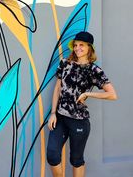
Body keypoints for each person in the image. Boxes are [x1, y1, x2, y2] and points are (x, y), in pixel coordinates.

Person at [46, 31, 117, 177]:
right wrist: (53, 112)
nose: (77, 48)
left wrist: (88, 94)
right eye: (76, 45)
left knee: (76, 160)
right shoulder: (65, 63)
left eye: (82, 45)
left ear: (89, 48)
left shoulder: (94, 70)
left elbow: (112, 94)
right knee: (52, 155)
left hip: (79, 121)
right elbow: (58, 88)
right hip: (60, 117)